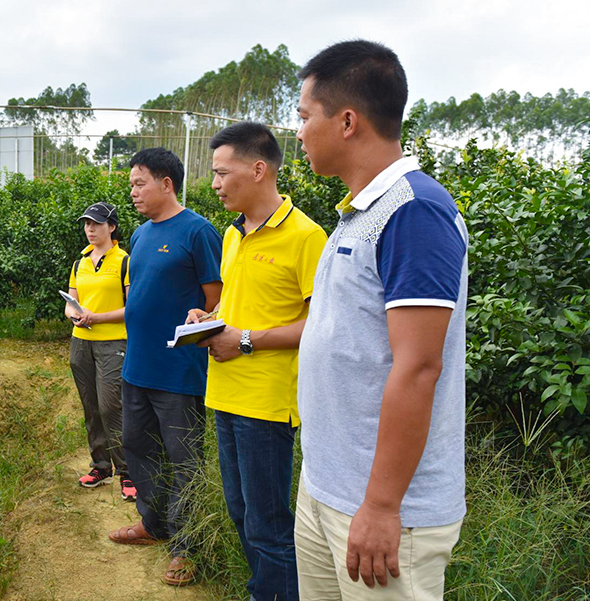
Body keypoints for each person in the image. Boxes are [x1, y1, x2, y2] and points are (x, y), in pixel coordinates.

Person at [294, 40, 468, 600]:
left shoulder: (413, 211)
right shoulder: (357, 214)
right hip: (327, 490)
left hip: (383, 512)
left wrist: (382, 505)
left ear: (346, 121)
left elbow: (418, 366)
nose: (298, 132)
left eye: (303, 116)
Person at [185, 122, 326, 601]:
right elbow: (235, 307)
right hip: (224, 392)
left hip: (266, 403)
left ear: (259, 169)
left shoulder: (307, 237)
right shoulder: (231, 235)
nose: (215, 183)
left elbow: (321, 326)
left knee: (268, 523)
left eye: (223, 173)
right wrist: (207, 319)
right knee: (242, 512)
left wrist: (244, 340)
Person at [107, 147, 223, 587]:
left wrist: (202, 322)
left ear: (166, 184)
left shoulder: (198, 231)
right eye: (132, 184)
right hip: (138, 365)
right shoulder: (138, 235)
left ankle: (186, 545)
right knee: (139, 448)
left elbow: (215, 301)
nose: (133, 192)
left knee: (184, 457)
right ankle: (153, 524)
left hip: (178, 370)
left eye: (139, 183)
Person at [65, 202, 136, 501]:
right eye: (86, 224)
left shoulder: (124, 261)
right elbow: (71, 300)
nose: (90, 229)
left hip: (113, 342)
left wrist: (98, 317)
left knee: (111, 406)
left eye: (96, 224)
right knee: (90, 406)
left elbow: (131, 307)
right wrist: (74, 314)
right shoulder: (79, 261)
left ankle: (128, 470)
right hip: (81, 341)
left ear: (112, 227)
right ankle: (101, 465)